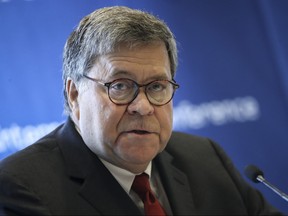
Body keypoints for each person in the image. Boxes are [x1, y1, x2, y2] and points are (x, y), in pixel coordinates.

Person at [0, 6, 282, 215]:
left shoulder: (206, 158)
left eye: (157, 86)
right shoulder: (22, 187)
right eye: (120, 86)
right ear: (74, 95)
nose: (143, 106)